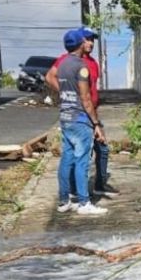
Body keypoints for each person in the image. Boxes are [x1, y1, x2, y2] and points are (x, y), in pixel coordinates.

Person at [45, 27, 107, 216]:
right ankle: (84, 203)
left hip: (65, 117)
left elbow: (55, 82)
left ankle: (64, 201)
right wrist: (96, 123)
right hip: (80, 118)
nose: (88, 43)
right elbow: (86, 99)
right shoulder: (81, 67)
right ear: (81, 43)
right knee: (82, 161)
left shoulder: (63, 64)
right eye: (86, 40)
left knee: (67, 159)